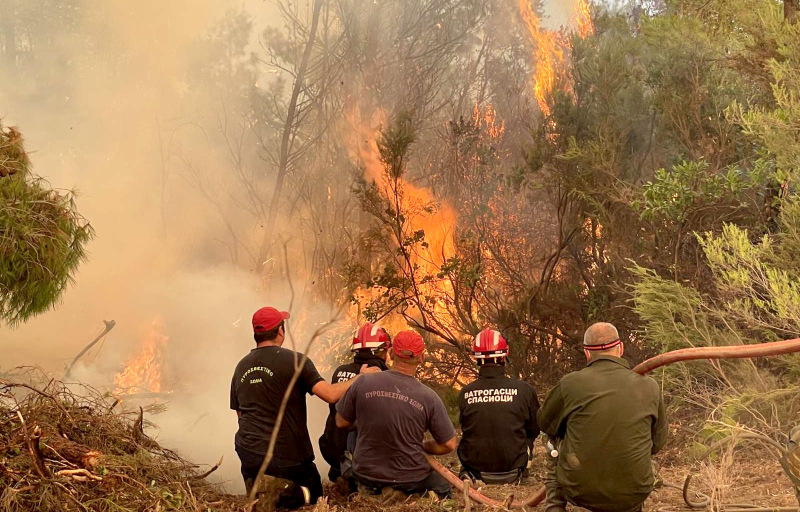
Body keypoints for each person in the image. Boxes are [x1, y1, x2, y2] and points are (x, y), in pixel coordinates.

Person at [230, 306, 379, 509]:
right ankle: (280, 494)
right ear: (280, 331)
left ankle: (260, 486)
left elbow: (240, 414)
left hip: (248, 453)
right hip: (287, 457)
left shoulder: (241, 366)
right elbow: (330, 394)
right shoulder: (295, 360)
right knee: (315, 495)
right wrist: (361, 377)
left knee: (262, 475)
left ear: (256, 333)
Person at [537, 322, 668, 512]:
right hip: (635, 492)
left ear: (587, 353)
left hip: (579, 491)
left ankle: (555, 506)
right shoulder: (650, 386)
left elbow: (544, 423)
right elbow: (658, 443)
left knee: (550, 440)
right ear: (620, 348)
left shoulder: (570, 384)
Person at [335, 330, 457, 498]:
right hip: (410, 477)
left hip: (365, 475)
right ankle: (403, 494)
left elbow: (341, 422)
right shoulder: (429, 397)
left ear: (391, 353)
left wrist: (365, 425)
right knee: (443, 487)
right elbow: (449, 444)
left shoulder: (363, 381)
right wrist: (422, 446)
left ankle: (378, 492)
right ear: (421, 358)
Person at [457, 328, 540, 484]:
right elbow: (534, 430)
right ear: (504, 356)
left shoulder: (465, 393)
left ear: (476, 357)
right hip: (514, 472)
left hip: (475, 473)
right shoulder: (524, 390)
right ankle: (524, 472)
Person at [319, 322, 392, 482]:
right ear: (380, 351)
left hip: (333, 448)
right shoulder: (385, 377)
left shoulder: (340, 372)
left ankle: (340, 474)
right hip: (365, 456)